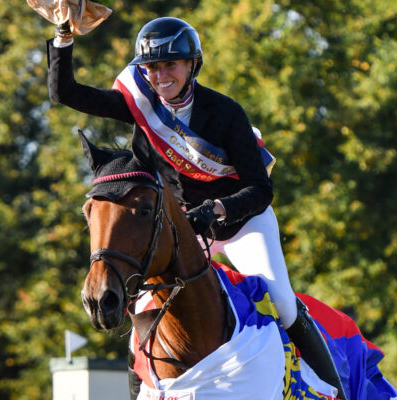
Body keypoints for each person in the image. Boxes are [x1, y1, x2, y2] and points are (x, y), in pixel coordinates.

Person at [46, 16, 346, 398]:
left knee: (284, 304)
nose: (160, 76)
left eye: (170, 64)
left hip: (240, 222)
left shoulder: (226, 113)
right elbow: (64, 93)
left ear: (192, 65)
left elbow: (260, 190)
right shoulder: (139, 105)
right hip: (181, 230)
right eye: (152, 68)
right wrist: (64, 34)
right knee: (139, 309)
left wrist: (218, 210)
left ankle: (332, 388)